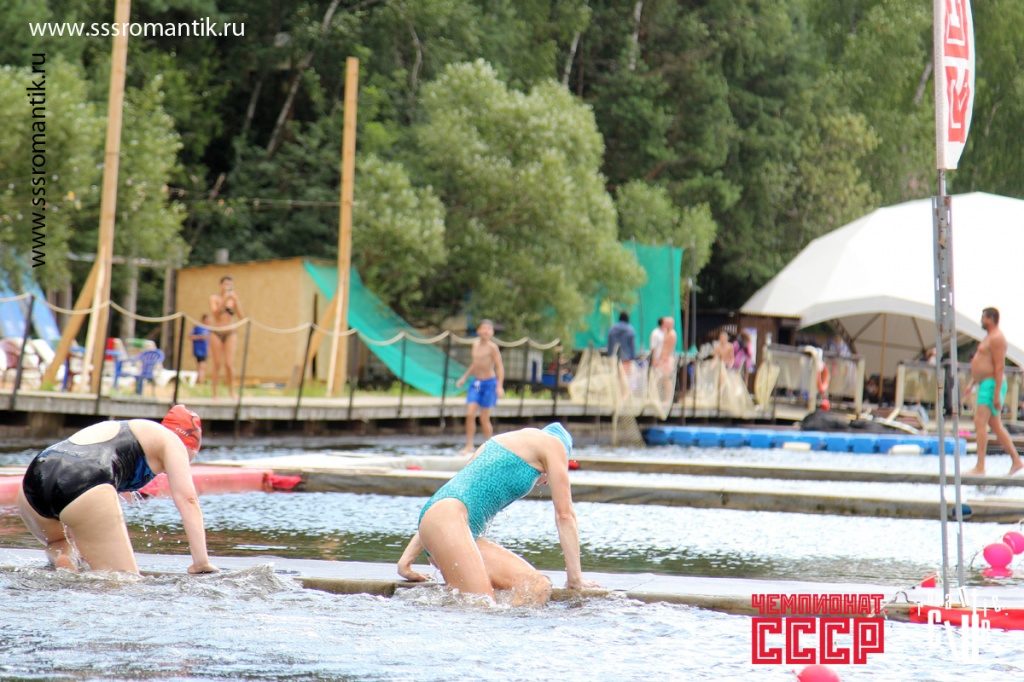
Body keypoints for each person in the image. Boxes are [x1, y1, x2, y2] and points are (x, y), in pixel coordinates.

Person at [396, 423, 601, 605]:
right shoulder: (554, 444)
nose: (544, 481)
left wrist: (405, 561)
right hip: (449, 522)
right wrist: (575, 579)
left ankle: (509, 632)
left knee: (536, 587)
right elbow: (565, 516)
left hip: (448, 525)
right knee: (481, 606)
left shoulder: (498, 443)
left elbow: (447, 500)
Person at [15, 405, 219, 574]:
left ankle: (65, 557)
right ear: (189, 445)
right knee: (124, 582)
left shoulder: (131, 430)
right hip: (85, 481)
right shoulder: (172, 441)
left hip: (35, 479)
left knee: (61, 542)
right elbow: (188, 500)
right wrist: (201, 563)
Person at [963, 308, 1024, 476]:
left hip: (992, 384)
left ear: (990, 319)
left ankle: (980, 466)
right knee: (995, 425)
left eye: (983, 317)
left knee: (979, 421)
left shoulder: (997, 338)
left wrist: (997, 394)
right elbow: (983, 362)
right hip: (985, 383)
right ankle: (1016, 460)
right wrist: (971, 383)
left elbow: (999, 366)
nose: (981, 320)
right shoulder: (988, 337)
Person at [456, 320, 505, 454]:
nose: (486, 331)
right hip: (476, 383)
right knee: (470, 414)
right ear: (478, 331)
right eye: (484, 328)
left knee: (484, 418)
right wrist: (464, 378)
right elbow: (475, 364)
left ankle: (488, 446)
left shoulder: (492, 347)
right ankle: (469, 445)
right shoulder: (475, 345)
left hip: (489, 383)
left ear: (492, 332)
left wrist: (499, 386)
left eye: (489, 329)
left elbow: (499, 366)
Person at [209, 275, 244, 400]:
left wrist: (236, 301)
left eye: (230, 284)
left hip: (230, 332)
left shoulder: (232, 300)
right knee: (217, 363)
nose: (228, 287)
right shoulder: (214, 298)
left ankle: (232, 391)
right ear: (221, 285)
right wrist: (225, 299)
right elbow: (215, 314)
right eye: (226, 284)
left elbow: (241, 316)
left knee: (229, 363)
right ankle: (215, 393)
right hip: (217, 331)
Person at [190, 314, 211, 385]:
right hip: (199, 350)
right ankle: (201, 382)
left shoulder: (208, 329)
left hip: (204, 351)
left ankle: (198, 381)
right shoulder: (198, 327)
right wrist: (200, 337)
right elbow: (191, 336)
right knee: (202, 366)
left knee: (201, 367)